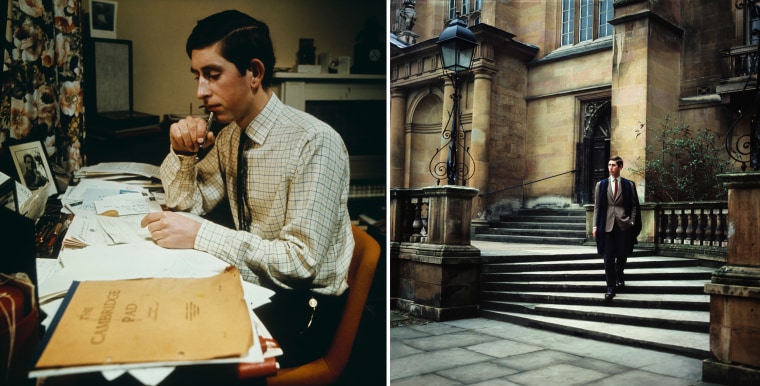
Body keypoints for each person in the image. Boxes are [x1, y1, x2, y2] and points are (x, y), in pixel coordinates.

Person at [140, 10, 354, 368]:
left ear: (254, 73)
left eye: (212, 75)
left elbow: (301, 264)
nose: (200, 92)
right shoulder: (231, 136)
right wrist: (183, 154)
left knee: (181, 360)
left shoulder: (314, 141)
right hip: (257, 288)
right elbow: (184, 206)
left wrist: (200, 235)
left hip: (304, 309)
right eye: (197, 76)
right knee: (156, 323)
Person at [592, 156, 640, 301]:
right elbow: (597, 207)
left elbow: (634, 206)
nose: (610, 167)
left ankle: (619, 275)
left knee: (622, 255)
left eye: (613, 165)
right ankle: (610, 288)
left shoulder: (628, 185)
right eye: (609, 165)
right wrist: (594, 225)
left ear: (620, 167)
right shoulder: (601, 184)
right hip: (606, 226)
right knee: (608, 258)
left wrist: (631, 222)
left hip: (623, 225)